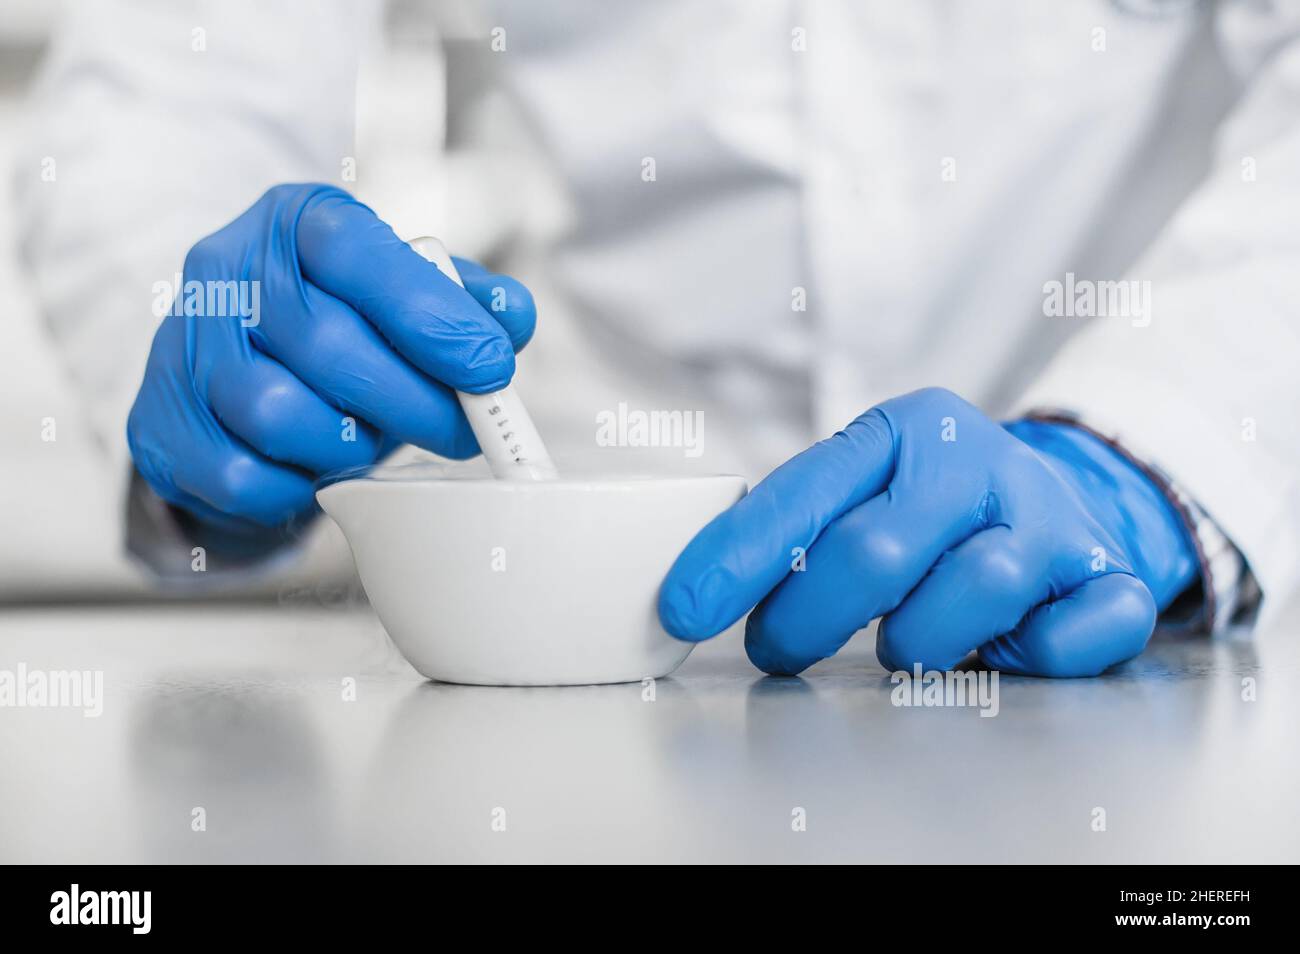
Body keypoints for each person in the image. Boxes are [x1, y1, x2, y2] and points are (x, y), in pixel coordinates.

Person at [13, 0, 1297, 676]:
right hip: (595, 601)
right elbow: (175, 87)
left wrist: (1150, 451)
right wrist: (218, 355)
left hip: (1119, 600)